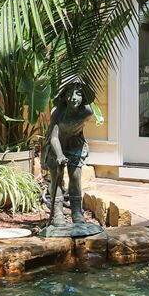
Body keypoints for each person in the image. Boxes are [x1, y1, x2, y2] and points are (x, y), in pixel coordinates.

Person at [41, 76, 101, 237]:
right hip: (56, 146)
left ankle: (77, 212)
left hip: (76, 145)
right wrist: (59, 155)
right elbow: (54, 137)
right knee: (57, 180)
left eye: (79, 94)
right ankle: (57, 213)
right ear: (63, 96)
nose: (73, 98)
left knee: (75, 178)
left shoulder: (87, 112)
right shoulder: (57, 112)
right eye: (69, 94)